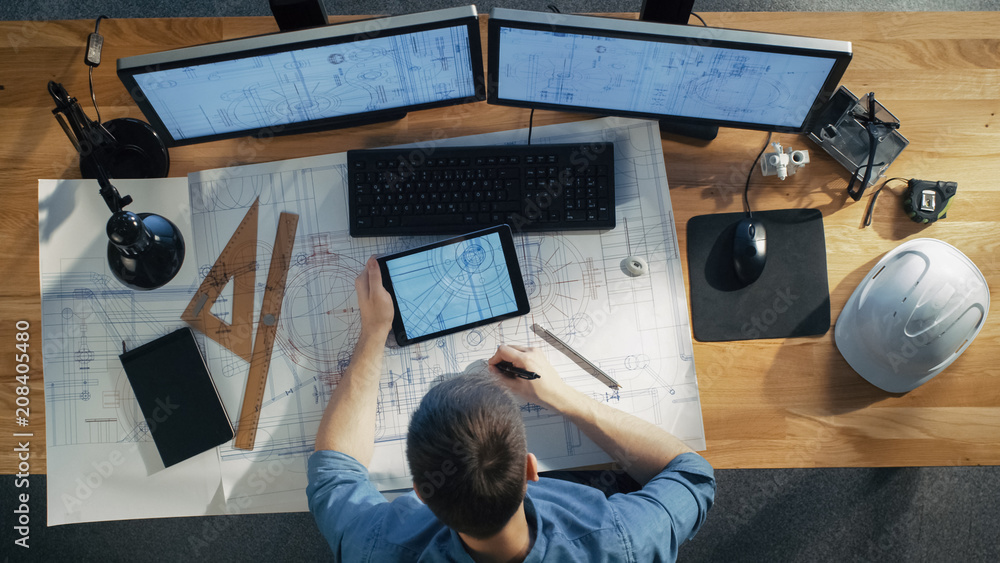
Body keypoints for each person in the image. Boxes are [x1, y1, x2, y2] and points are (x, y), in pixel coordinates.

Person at [307, 257, 716, 562]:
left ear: (421, 494)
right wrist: (564, 397)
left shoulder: (379, 550)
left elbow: (333, 476)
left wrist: (375, 331)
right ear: (530, 469)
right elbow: (693, 476)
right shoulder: (617, 542)